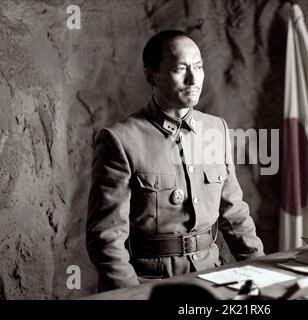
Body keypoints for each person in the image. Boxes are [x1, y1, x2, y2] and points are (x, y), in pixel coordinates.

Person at [86, 30, 265, 292]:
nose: (193, 79)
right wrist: (131, 295)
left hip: (213, 277)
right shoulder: (119, 140)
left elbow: (234, 213)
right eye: (180, 68)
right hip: (150, 284)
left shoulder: (216, 129)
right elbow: (106, 238)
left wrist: (262, 273)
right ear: (152, 76)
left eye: (199, 67)